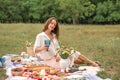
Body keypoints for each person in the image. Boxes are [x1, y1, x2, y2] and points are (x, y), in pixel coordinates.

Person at [34, 17, 99, 69]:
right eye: (51, 23)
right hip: (50, 60)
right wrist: (43, 48)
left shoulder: (53, 36)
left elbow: (57, 48)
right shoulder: (40, 36)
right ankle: (91, 63)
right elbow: (35, 50)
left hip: (58, 56)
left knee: (72, 52)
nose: (53, 25)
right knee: (68, 60)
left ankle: (92, 63)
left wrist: (59, 54)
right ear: (48, 23)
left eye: (54, 25)